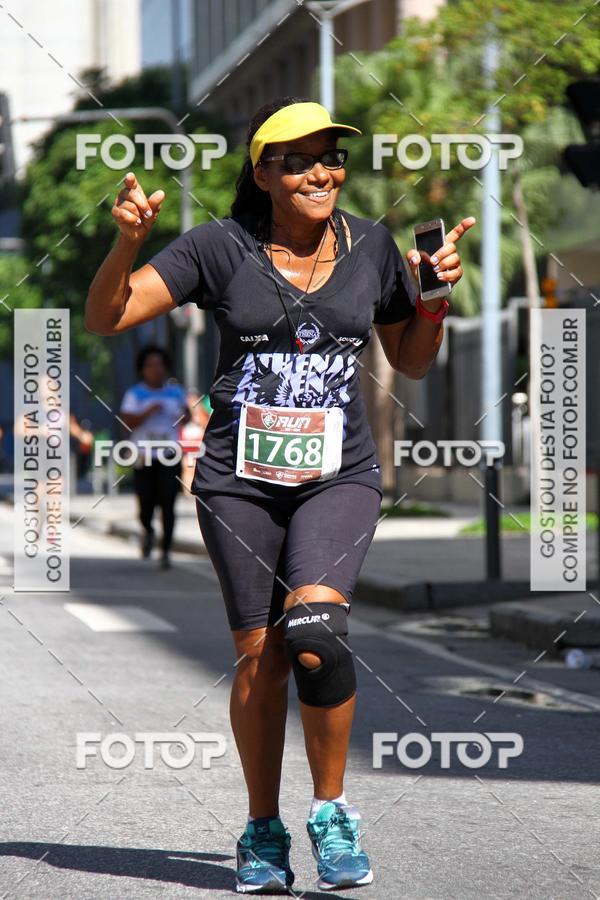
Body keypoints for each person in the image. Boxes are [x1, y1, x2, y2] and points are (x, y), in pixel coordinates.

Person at [85, 97, 475, 894]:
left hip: (339, 476)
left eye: (330, 157)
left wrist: (432, 297)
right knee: (260, 658)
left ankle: (331, 815)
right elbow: (109, 315)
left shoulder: (370, 246)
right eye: (297, 160)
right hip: (239, 483)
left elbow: (413, 361)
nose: (320, 172)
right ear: (262, 172)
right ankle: (262, 829)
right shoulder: (217, 248)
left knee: (316, 635)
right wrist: (126, 243)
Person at [119, 345, 190, 569]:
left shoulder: (175, 392)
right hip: (144, 455)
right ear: (142, 369)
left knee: (169, 504)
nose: (155, 370)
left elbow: (187, 417)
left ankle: (166, 550)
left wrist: (184, 413)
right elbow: (127, 423)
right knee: (146, 503)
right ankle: (148, 530)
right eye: (150, 365)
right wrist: (148, 411)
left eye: (159, 365)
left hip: (169, 455)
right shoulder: (135, 394)